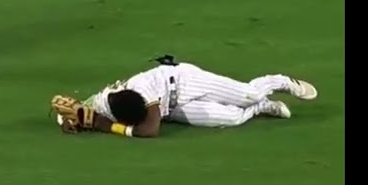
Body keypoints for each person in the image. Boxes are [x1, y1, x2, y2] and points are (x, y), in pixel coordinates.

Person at [52, 56, 319, 138]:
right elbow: (71, 113)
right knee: (233, 118)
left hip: (185, 80)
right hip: (175, 106)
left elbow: (150, 130)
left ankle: (280, 82)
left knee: (248, 93)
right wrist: (68, 122)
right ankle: (263, 107)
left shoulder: (143, 91)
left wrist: (105, 126)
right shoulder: (103, 102)